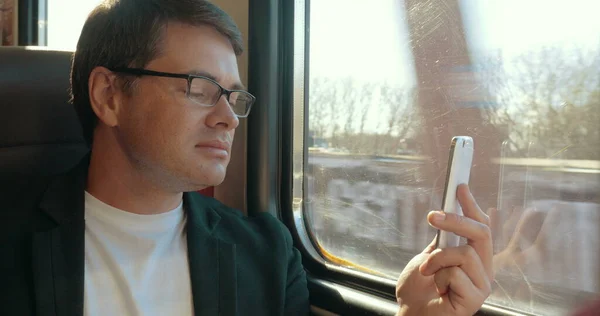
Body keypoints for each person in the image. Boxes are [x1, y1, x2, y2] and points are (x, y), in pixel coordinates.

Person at [0, 0, 493, 315]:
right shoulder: (10, 242)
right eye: (200, 88)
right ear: (109, 95)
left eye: (234, 97)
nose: (229, 119)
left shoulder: (266, 253)